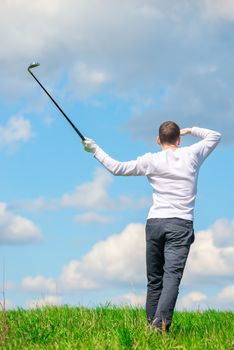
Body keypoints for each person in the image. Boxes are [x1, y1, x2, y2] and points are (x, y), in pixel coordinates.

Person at [82, 121, 221, 332]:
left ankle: (152, 327)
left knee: (154, 279)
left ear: (158, 140)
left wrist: (94, 149)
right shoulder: (192, 154)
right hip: (181, 224)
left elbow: (117, 168)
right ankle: (159, 327)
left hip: (155, 223)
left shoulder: (151, 160)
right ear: (179, 139)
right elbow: (215, 136)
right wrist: (191, 129)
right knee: (171, 276)